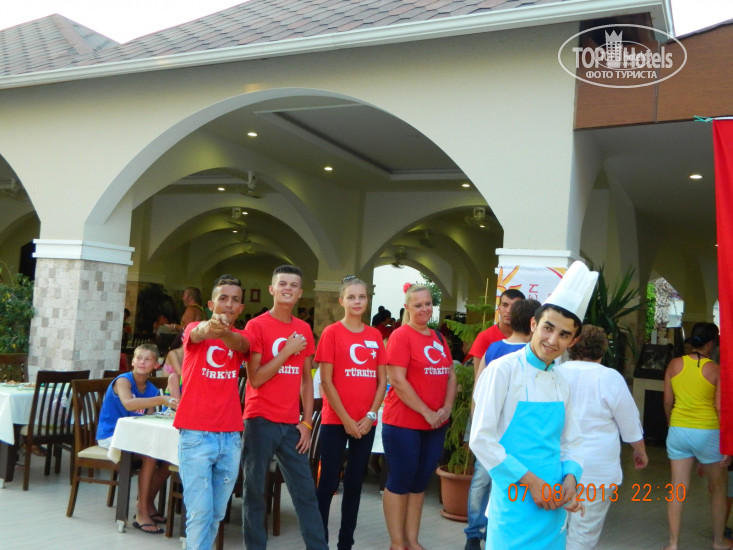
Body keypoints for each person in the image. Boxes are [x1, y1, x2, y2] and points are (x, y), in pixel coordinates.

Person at [470, 261, 595, 550]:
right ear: (533, 325)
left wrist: (570, 481)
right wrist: (532, 483)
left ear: (573, 341)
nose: (552, 340)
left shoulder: (562, 382)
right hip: (513, 499)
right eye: (548, 328)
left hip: (552, 502)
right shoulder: (502, 371)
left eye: (564, 334)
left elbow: (571, 441)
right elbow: (481, 439)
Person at [242, 264, 328, 550]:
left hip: (292, 425)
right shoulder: (256, 326)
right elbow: (255, 379)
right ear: (272, 289)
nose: (288, 288)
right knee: (255, 493)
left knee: (305, 493)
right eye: (282, 284)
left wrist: (307, 422)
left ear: (300, 292)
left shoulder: (303, 329)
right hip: (259, 421)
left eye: (293, 285)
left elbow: (307, 381)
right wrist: (287, 351)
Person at [173, 274, 251, 550]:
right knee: (199, 514)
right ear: (210, 304)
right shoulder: (194, 327)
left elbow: (241, 345)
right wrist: (212, 326)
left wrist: (225, 332)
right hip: (195, 434)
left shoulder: (242, 337)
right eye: (223, 298)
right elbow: (199, 333)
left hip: (230, 436)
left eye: (235, 300)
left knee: (216, 514)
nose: (229, 304)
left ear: (241, 308)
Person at [556, 324, 648, 550]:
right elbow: (630, 424)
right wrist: (640, 451)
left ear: (572, 345)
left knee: (553, 529)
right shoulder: (610, 378)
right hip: (596, 471)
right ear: (603, 349)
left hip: (557, 465)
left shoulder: (556, 373)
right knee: (583, 534)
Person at [382, 282, 457, 550]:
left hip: (435, 424)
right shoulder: (401, 336)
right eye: (418, 305)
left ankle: (412, 540)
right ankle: (397, 542)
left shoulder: (438, 337)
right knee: (401, 480)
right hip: (404, 423)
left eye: (428, 304)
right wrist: (426, 412)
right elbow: (397, 380)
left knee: (420, 482)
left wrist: (446, 408)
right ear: (407, 307)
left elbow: (450, 374)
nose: (424, 309)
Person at [315, 276, 388, 550]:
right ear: (341, 301)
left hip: (366, 423)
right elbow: (326, 382)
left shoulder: (375, 336)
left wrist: (370, 416)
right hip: (336, 421)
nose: (357, 301)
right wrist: (346, 420)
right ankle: (318, 542)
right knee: (328, 483)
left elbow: (382, 381)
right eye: (351, 297)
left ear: (368, 300)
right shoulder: (331, 333)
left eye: (362, 297)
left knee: (355, 484)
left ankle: (346, 543)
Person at [463, 298, 539, 550]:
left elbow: (478, 392)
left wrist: (477, 425)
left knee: (481, 481)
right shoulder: (533, 355)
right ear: (534, 323)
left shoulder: (493, 349)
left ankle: (473, 533)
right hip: (517, 435)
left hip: (491, 432)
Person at [663, 322, 732, 550]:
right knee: (718, 489)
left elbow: (667, 401)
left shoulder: (674, 364)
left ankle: (673, 544)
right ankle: (719, 541)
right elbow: (720, 408)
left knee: (678, 488)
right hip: (708, 432)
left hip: (678, 430)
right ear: (711, 344)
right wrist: (727, 444)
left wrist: (672, 424)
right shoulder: (716, 370)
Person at [96, 343, 178, 535]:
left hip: (134, 437)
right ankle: (142, 513)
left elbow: (148, 419)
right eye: (139, 358)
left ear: (156, 365)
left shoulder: (151, 389)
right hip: (111, 435)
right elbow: (129, 404)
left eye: (148, 359)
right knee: (150, 455)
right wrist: (161, 400)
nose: (142, 362)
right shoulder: (123, 381)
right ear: (132, 361)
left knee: (168, 458)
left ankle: (146, 502)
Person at [468, 289, 525, 367]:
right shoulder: (484, 337)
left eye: (515, 306)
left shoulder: (529, 338)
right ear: (499, 308)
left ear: (522, 310)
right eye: (505, 305)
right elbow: (479, 374)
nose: (508, 311)